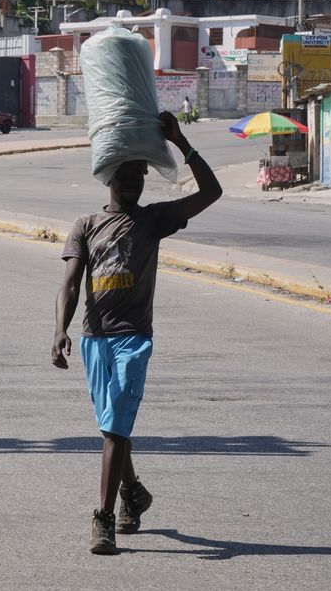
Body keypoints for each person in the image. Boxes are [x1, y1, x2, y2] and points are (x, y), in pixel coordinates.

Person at [51, 111, 222, 555]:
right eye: (125, 176)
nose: (132, 184)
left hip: (132, 338)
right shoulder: (86, 225)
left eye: (139, 177)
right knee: (112, 425)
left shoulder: (153, 220)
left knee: (113, 431)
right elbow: (70, 283)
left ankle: (103, 519)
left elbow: (212, 192)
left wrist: (181, 142)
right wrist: (60, 330)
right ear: (109, 177)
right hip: (94, 338)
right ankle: (135, 492)